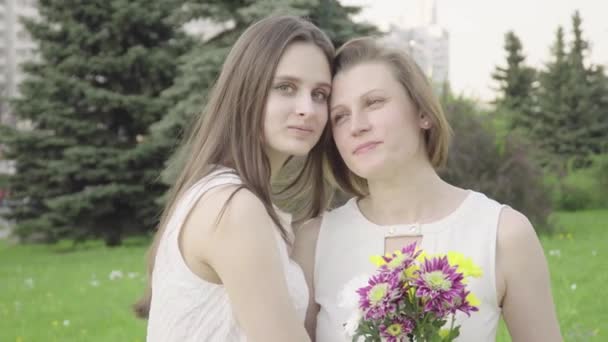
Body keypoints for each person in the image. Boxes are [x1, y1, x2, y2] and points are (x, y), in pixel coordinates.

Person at [293, 37, 562, 342]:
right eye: (340, 116)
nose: (357, 125)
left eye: (374, 102)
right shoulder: (314, 242)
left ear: (422, 112)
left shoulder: (502, 233)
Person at [133, 15, 334, 342]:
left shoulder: (226, 194)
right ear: (246, 91)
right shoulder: (233, 208)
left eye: (320, 94)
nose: (307, 109)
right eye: (285, 87)